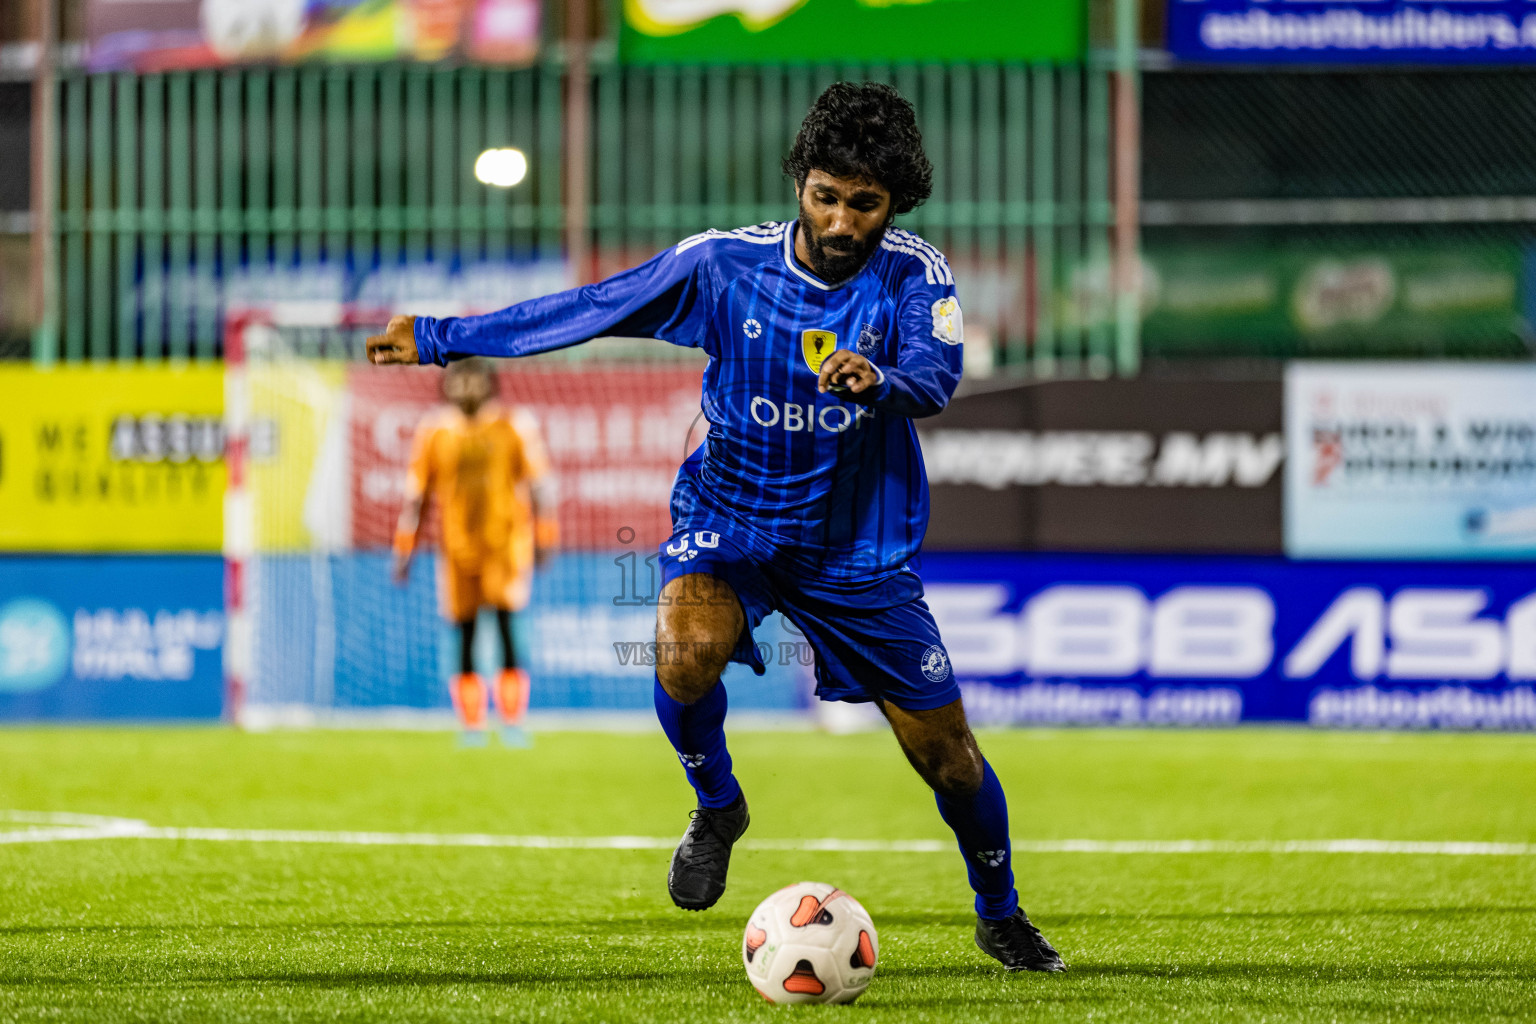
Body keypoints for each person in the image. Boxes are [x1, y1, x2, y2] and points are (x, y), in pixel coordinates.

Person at [368, 82, 1064, 973]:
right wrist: (439, 334)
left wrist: (877, 382)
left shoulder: (914, 275)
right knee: (683, 651)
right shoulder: (723, 265)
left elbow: (934, 375)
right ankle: (720, 805)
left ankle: (998, 912)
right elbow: (592, 307)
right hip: (729, 518)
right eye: (826, 194)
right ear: (799, 182)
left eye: (866, 204)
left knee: (951, 758)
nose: (843, 221)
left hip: (856, 550)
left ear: (895, 205)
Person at [392, 358, 557, 746]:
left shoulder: (514, 425)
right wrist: (405, 550)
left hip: (506, 547)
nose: (466, 387)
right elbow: (417, 497)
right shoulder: (434, 431)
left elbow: (538, 486)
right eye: (458, 379)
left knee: (506, 627)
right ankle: (471, 724)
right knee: (464, 634)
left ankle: (513, 721)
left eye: (473, 379)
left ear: (489, 383)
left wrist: (545, 537)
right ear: (446, 385)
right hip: (456, 551)